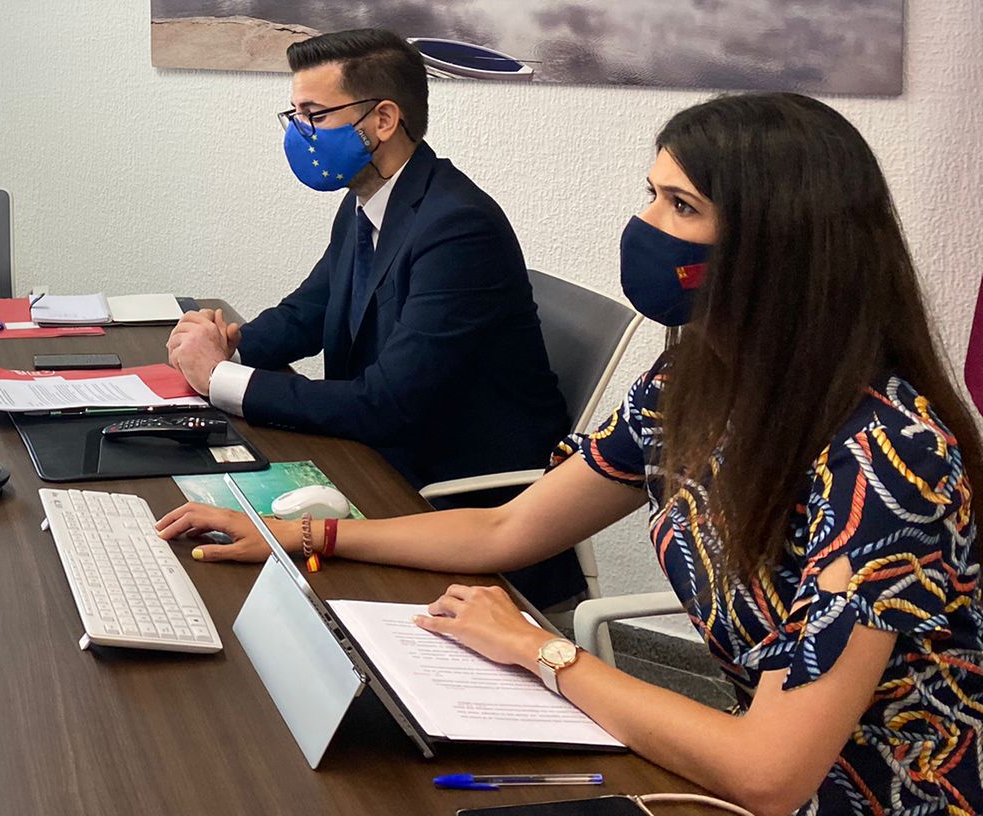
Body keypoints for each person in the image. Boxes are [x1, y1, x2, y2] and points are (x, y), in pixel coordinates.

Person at [159, 92, 983, 816]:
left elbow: (771, 773)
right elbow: (507, 532)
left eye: (682, 206)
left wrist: (539, 649)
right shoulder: (692, 380)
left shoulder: (888, 458)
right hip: (743, 771)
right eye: (650, 194)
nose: (645, 226)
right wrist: (299, 536)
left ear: (780, 245)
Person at [167, 27, 571, 492]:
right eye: (295, 115)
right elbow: (306, 314)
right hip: (376, 454)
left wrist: (220, 378)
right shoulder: (367, 198)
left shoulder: (458, 228)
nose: (302, 133)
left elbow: (386, 403)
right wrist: (224, 345)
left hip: (450, 490)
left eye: (315, 115)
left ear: (383, 120)